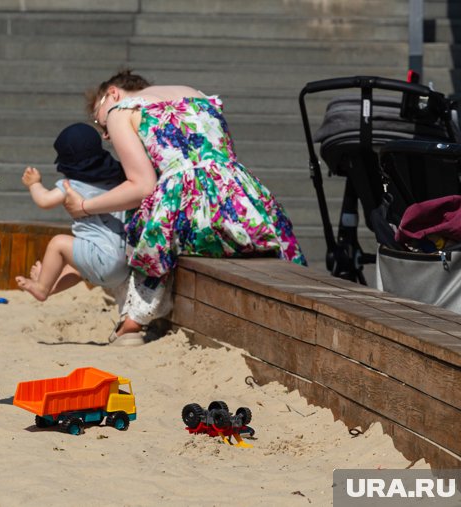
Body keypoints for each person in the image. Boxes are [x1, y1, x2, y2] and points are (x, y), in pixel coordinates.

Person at [64, 70, 306, 345]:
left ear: (113, 94)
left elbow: (141, 186)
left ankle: (132, 321)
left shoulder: (122, 110)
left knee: (145, 218)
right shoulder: (196, 93)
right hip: (244, 207)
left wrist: (84, 206)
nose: (105, 134)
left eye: (100, 120)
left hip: (191, 215)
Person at [16, 124, 132, 327]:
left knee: (58, 243)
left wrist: (34, 184)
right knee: (76, 267)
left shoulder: (71, 185)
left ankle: (42, 287)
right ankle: (48, 286)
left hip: (103, 259)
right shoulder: (116, 178)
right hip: (123, 264)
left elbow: (44, 201)